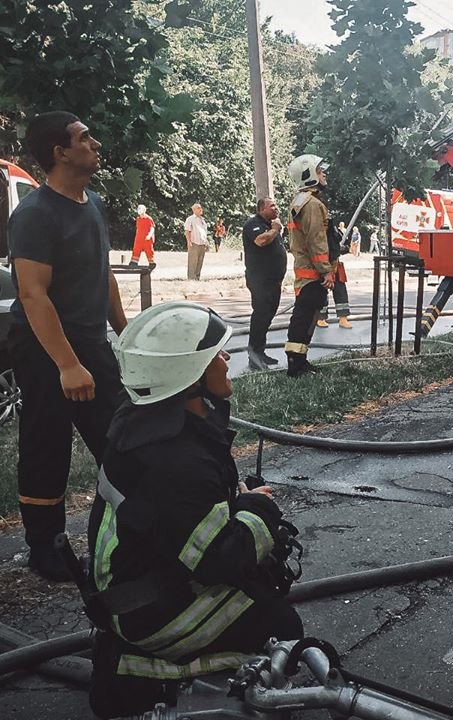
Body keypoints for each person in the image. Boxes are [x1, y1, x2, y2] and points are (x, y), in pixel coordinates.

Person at [87, 301, 303, 718]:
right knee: (283, 629)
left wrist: (233, 501)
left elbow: (178, 519)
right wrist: (259, 509)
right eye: (215, 355)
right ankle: (144, 679)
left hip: (132, 589)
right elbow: (217, 561)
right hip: (152, 614)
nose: (226, 359)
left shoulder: (145, 424)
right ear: (189, 378)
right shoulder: (177, 460)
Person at [7, 111, 127, 581]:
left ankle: (132, 526)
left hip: (90, 343)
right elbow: (33, 295)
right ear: (60, 152)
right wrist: (67, 365)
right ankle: (46, 545)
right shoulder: (34, 214)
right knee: (46, 443)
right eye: (84, 138)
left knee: (120, 435)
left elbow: (105, 275)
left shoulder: (93, 203)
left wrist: (127, 331)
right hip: (45, 349)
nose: (94, 144)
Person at [283, 154, 336, 377]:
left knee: (307, 315)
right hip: (313, 273)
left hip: (309, 272)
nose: (324, 174)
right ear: (309, 175)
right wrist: (326, 271)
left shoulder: (301, 201)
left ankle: (300, 361)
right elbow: (317, 240)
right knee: (304, 316)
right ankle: (296, 365)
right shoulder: (312, 204)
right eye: (320, 171)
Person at [242, 197, 287, 370]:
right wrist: (275, 229)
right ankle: (253, 354)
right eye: (272, 206)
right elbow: (261, 241)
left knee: (268, 315)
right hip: (259, 280)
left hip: (274, 280)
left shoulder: (271, 225)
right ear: (262, 209)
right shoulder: (253, 224)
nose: (276, 208)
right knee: (261, 315)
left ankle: (260, 351)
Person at [317, 222, 352, 330]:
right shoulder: (315, 228)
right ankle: (320, 317)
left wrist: (342, 248)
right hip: (322, 265)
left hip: (335, 263)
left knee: (340, 290)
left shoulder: (333, 228)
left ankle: (343, 318)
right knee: (321, 291)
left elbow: (343, 243)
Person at [183, 203, 208, 280]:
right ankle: (191, 277)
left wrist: (206, 242)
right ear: (194, 210)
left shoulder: (203, 220)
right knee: (193, 261)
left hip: (202, 243)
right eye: (198, 208)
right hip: (194, 243)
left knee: (200, 261)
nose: (201, 209)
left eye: (201, 208)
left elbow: (204, 232)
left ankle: (197, 277)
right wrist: (189, 241)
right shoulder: (190, 219)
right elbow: (187, 231)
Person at [129, 204, 156, 270]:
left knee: (149, 250)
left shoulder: (148, 219)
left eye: (140, 209)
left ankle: (151, 263)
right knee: (136, 249)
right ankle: (134, 262)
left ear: (144, 210)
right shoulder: (138, 219)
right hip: (139, 238)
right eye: (138, 209)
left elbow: (152, 228)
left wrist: (149, 235)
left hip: (147, 238)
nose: (139, 211)